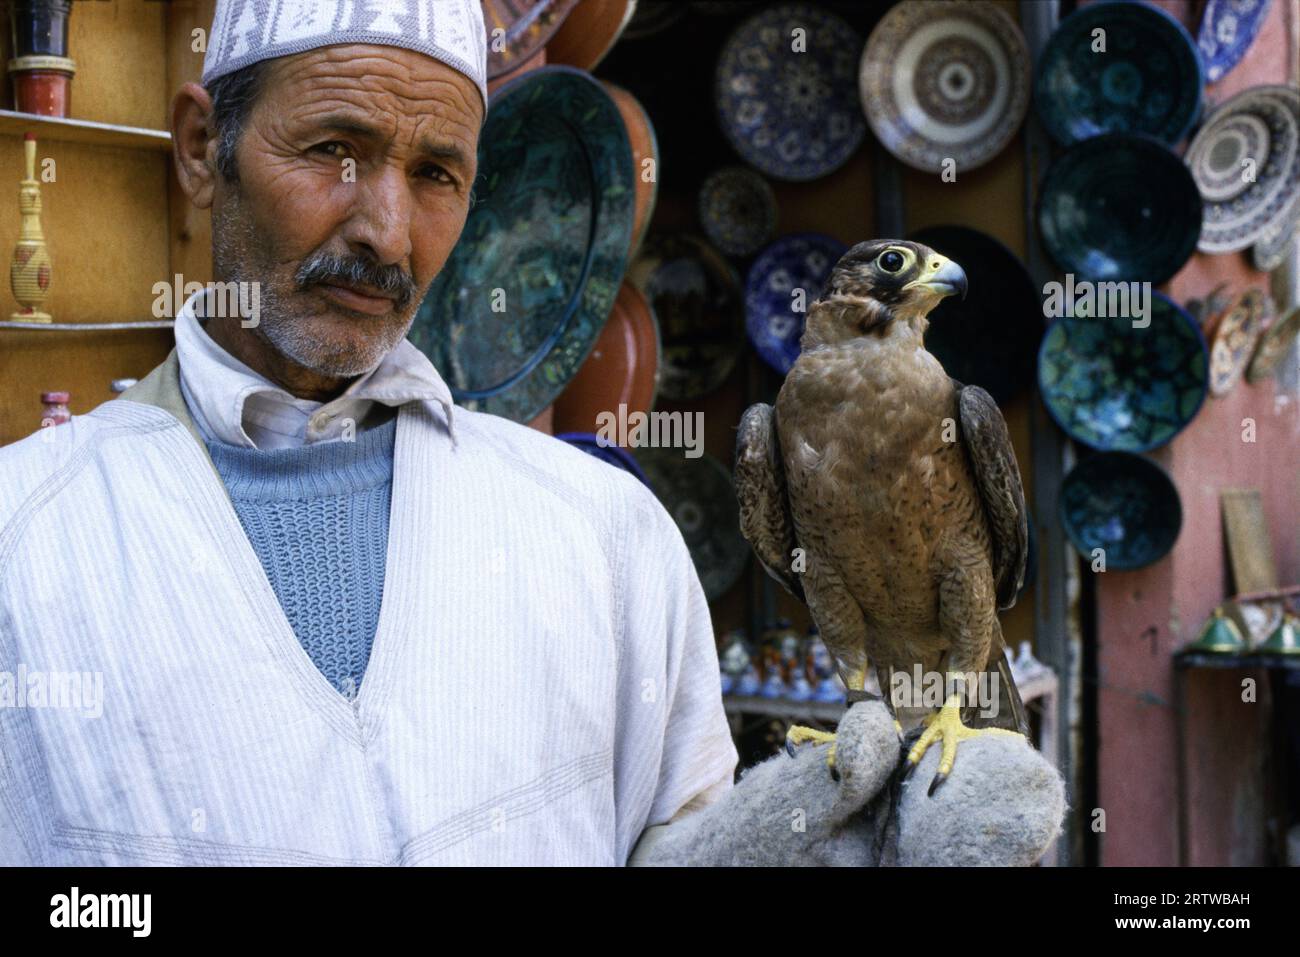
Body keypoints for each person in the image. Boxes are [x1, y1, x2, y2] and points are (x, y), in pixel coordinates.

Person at [0, 0, 1061, 866]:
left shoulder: (604, 533)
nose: (384, 230)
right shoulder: (24, 541)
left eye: (437, 174)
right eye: (331, 148)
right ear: (200, 149)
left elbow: (683, 843)